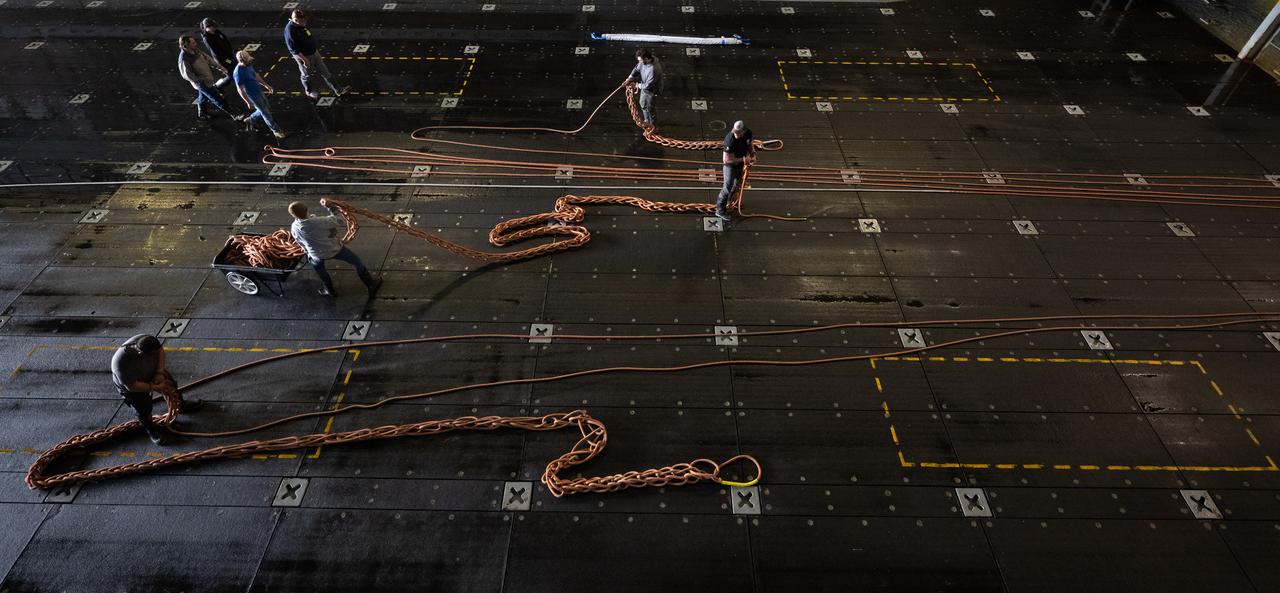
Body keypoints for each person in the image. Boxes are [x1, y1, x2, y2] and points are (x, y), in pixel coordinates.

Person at [111, 335, 202, 445]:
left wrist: (159, 372)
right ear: (140, 353)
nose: (153, 355)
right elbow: (132, 386)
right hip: (132, 385)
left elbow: (160, 351)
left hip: (151, 372)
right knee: (143, 408)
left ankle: (181, 405)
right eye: (151, 355)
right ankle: (151, 430)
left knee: (171, 385)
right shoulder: (120, 363)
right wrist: (156, 387)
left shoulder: (148, 340)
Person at [289, 200, 380, 297]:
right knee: (356, 261)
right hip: (333, 250)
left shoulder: (294, 227)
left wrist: (307, 252)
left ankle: (329, 290)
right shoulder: (319, 221)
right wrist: (331, 207)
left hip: (315, 254)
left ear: (293, 215)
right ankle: (371, 285)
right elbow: (339, 220)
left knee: (320, 269)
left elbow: (300, 242)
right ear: (307, 210)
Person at [285, 9, 349, 100]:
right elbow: (293, 50)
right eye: (303, 21)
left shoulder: (301, 25)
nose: (305, 22)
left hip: (314, 52)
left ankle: (338, 90)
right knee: (306, 75)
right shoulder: (290, 31)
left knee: (325, 71)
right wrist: (305, 60)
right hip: (304, 56)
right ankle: (309, 91)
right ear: (295, 20)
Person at [177, 36, 239, 120]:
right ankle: (234, 115)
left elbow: (208, 59)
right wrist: (201, 81)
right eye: (193, 43)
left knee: (203, 96)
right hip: (202, 83)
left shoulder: (196, 50)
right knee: (217, 98)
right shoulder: (184, 59)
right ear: (186, 45)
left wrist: (220, 67)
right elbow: (187, 75)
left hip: (207, 79)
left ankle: (202, 112)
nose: (196, 44)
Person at [233, 50, 286, 139]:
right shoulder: (238, 73)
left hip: (259, 91)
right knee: (266, 114)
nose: (250, 61)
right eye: (248, 60)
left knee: (266, 108)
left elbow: (255, 75)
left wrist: (266, 85)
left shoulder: (248, 65)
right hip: (253, 96)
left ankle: (251, 119)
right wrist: (248, 102)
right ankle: (276, 131)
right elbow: (240, 89)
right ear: (242, 60)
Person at [715, 120, 756, 221]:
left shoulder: (748, 133)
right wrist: (743, 159)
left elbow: (750, 144)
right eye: (735, 133)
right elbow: (726, 160)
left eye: (738, 133)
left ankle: (729, 202)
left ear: (743, 131)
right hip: (730, 167)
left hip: (741, 164)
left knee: (736, 185)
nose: (736, 135)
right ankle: (719, 210)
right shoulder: (730, 140)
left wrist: (753, 154)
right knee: (727, 188)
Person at [625, 48, 662, 126]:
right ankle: (647, 120)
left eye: (641, 60)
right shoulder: (642, 62)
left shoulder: (654, 69)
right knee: (643, 104)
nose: (639, 62)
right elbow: (637, 69)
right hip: (644, 87)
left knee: (650, 108)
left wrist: (636, 85)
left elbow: (648, 85)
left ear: (646, 59)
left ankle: (653, 126)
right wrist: (630, 78)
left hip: (652, 90)